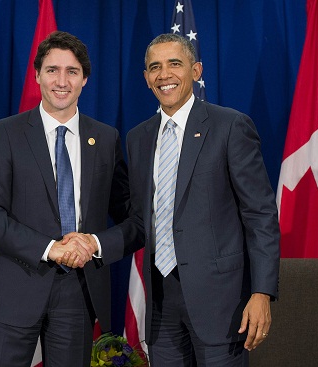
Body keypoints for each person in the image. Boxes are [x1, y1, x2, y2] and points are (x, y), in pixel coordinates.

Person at [63, 33, 280, 366]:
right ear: (147, 78)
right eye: (155, 67)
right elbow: (140, 220)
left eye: (174, 64)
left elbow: (260, 215)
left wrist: (262, 293)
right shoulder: (138, 138)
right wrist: (94, 243)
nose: (164, 75)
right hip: (161, 305)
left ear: (196, 70)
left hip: (222, 304)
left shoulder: (230, 127)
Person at [0, 31, 129, 367]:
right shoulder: (7, 133)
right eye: (52, 70)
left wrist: (95, 242)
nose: (62, 80)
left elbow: (130, 216)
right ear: (37, 75)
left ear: (84, 79)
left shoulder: (105, 138)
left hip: (77, 294)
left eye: (72, 71)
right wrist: (50, 248)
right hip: (12, 291)